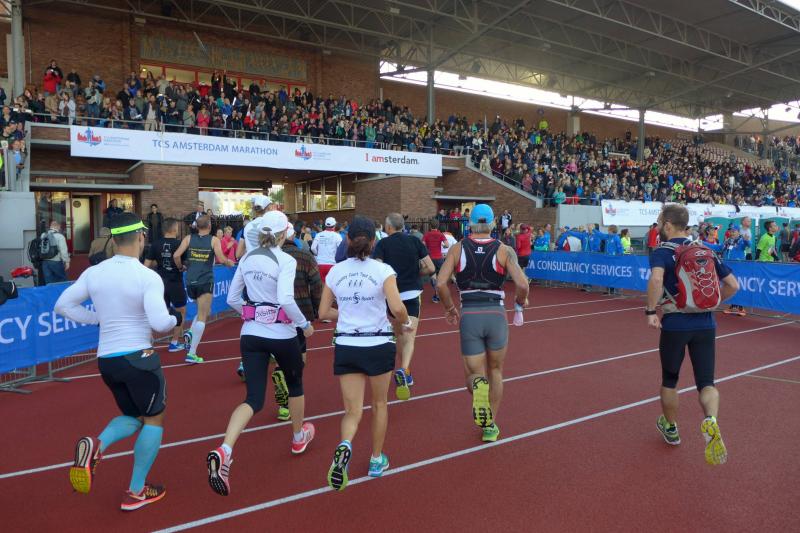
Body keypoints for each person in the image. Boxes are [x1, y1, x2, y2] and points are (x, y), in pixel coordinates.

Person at [54, 213, 181, 510]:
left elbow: (62, 305)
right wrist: (175, 318)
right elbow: (160, 323)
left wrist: (97, 318)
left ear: (113, 240)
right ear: (140, 237)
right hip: (138, 358)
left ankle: (97, 444)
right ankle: (136, 491)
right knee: (154, 420)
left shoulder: (95, 272)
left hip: (108, 361)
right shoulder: (146, 276)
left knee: (135, 417)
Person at [207, 211, 316, 497]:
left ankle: (225, 448)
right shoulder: (286, 260)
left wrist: (253, 314)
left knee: (253, 399)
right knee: (295, 385)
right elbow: (285, 299)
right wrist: (304, 324)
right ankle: (297, 437)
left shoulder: (246, 259)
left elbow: (232, 298)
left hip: (251, 335)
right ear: (282, 235)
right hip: (282, 334)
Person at [319, 216, 411, 490]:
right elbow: (397, 308)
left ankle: (346, 444)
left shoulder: (335, 271)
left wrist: (348, 313)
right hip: (378, 344)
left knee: (352, 411)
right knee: (379, 404)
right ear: (373, 241)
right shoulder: (383, 271)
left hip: (347, 345)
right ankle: (375, 459)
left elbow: (323, 312)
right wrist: (405, 322)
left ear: (347, 240)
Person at [646, 204, 739, 466]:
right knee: (707, 382)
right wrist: (711, 303)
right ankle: (711, 419)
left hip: (675, 323)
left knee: (670, 380)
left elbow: (656, 281)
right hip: (706, 323)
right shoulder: (705, 250)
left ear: (667, 225)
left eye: (659, 221)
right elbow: (733, 285)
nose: (657, 225)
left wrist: (650, 311)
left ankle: (671, 428)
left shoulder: (662, 252)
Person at [436, 204, 529, 443]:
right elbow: (522, 284)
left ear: (470, 223)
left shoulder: (457, 248)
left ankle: (478, 386)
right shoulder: (504, 250)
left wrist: (449, 308)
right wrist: (520, 302)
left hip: (470, 314)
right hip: (495, 314)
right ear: (492, 223)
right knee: (496, 371)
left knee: (475, 375)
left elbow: (440, 283)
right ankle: (490, 425)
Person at [373, 213, 435, 400]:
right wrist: (417, 273)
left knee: (399, 335)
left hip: (393, 296)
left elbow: (377, 269)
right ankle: (404, 369)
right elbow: (431, 268)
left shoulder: (382, 244)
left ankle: (404, 370)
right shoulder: (415, 241)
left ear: (389, 227)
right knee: (410, 337)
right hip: (412, 294)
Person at [174, 215, 235, 364]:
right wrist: (229, 263)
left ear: (196, 226)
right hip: (205, 280)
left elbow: (176, 255)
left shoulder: (188, 238)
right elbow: (221, 259)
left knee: (205, 310)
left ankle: (190, 332)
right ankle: (192, 353)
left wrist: (181, 267)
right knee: (203, 315)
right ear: (209, 226)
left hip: (190, 281)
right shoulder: (214, 240)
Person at [145, 218, 188, 351]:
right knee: (181, 311)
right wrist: (181, 267)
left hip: (160, 283)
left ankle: (147, 340)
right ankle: (174, 342)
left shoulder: (155, 244)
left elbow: (146, 266)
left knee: (160, 311)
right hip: (175, 282)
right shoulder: (180, 244)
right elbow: (186, 264)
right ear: (174, 229)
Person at [236, 195, 273, 259]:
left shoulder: (246, 227)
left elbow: (238, 254)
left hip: (250, 262)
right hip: (267, 262)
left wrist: (250, 251)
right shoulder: (272, 225)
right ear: (269, 208)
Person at [422, 221, 448, 303]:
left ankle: (437, 294)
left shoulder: (426, 234)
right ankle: (441, 293)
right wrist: (443, 246)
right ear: (438, 226)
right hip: (439, 258)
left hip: (430, 259)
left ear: (430, 226)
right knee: (440, 277)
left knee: (433, 277)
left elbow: (422, 245)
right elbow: (447, 245)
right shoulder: (440, 234)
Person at [310, 216, 342, 284]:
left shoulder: (319, 235)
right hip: (332, 264)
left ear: (325, 225)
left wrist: (317, 254)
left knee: (321, 285)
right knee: (331, 286)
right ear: (334, 225)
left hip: (320, 263)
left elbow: (312, 248)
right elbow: (341, 250)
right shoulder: (337, 236)